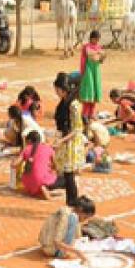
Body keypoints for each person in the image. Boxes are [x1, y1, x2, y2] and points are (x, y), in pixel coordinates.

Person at [52, 73, 84, 205]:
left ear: (63, 89)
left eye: (57, 90)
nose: (56, 92)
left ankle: (72, 203)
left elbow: (77, 129)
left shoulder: (74, 105)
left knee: (69, 175)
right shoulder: (64, 102)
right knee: (66, 174)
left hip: (70, 143)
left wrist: (62, 140)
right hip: (64, 140)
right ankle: (71, 202)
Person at [38, 196, 95, 261]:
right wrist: (77, 252)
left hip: (47, 244)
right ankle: (62, 253)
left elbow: (78, 236)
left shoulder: (70, 211)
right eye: (85, 217)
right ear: (80, 209)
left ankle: (65, 250)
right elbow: (57, 242)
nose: (85, 220)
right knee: (74, 219)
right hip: (51, 249)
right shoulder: (70, 217)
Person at [17, 131, 61, 200]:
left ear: (29, 141)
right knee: (63, 179)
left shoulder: (26, 149)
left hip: (27, 181)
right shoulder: (48, 148)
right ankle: (43, 187)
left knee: (36, 177)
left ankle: (39, 187)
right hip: (43, 179)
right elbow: (56, 166)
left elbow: (14, 164)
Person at [79, 30, 105, 118]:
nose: (97, 41)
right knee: (89, 91)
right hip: (88, 71)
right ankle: (85, 113)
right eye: (96, 39)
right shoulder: (86, 47)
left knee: (95, 91)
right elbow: (88, 54)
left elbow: (101, 60)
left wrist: (102, 56)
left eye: (98, 40)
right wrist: (99, 52)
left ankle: (91, 113)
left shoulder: (98, 47)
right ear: (92, 38)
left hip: (96, 71)